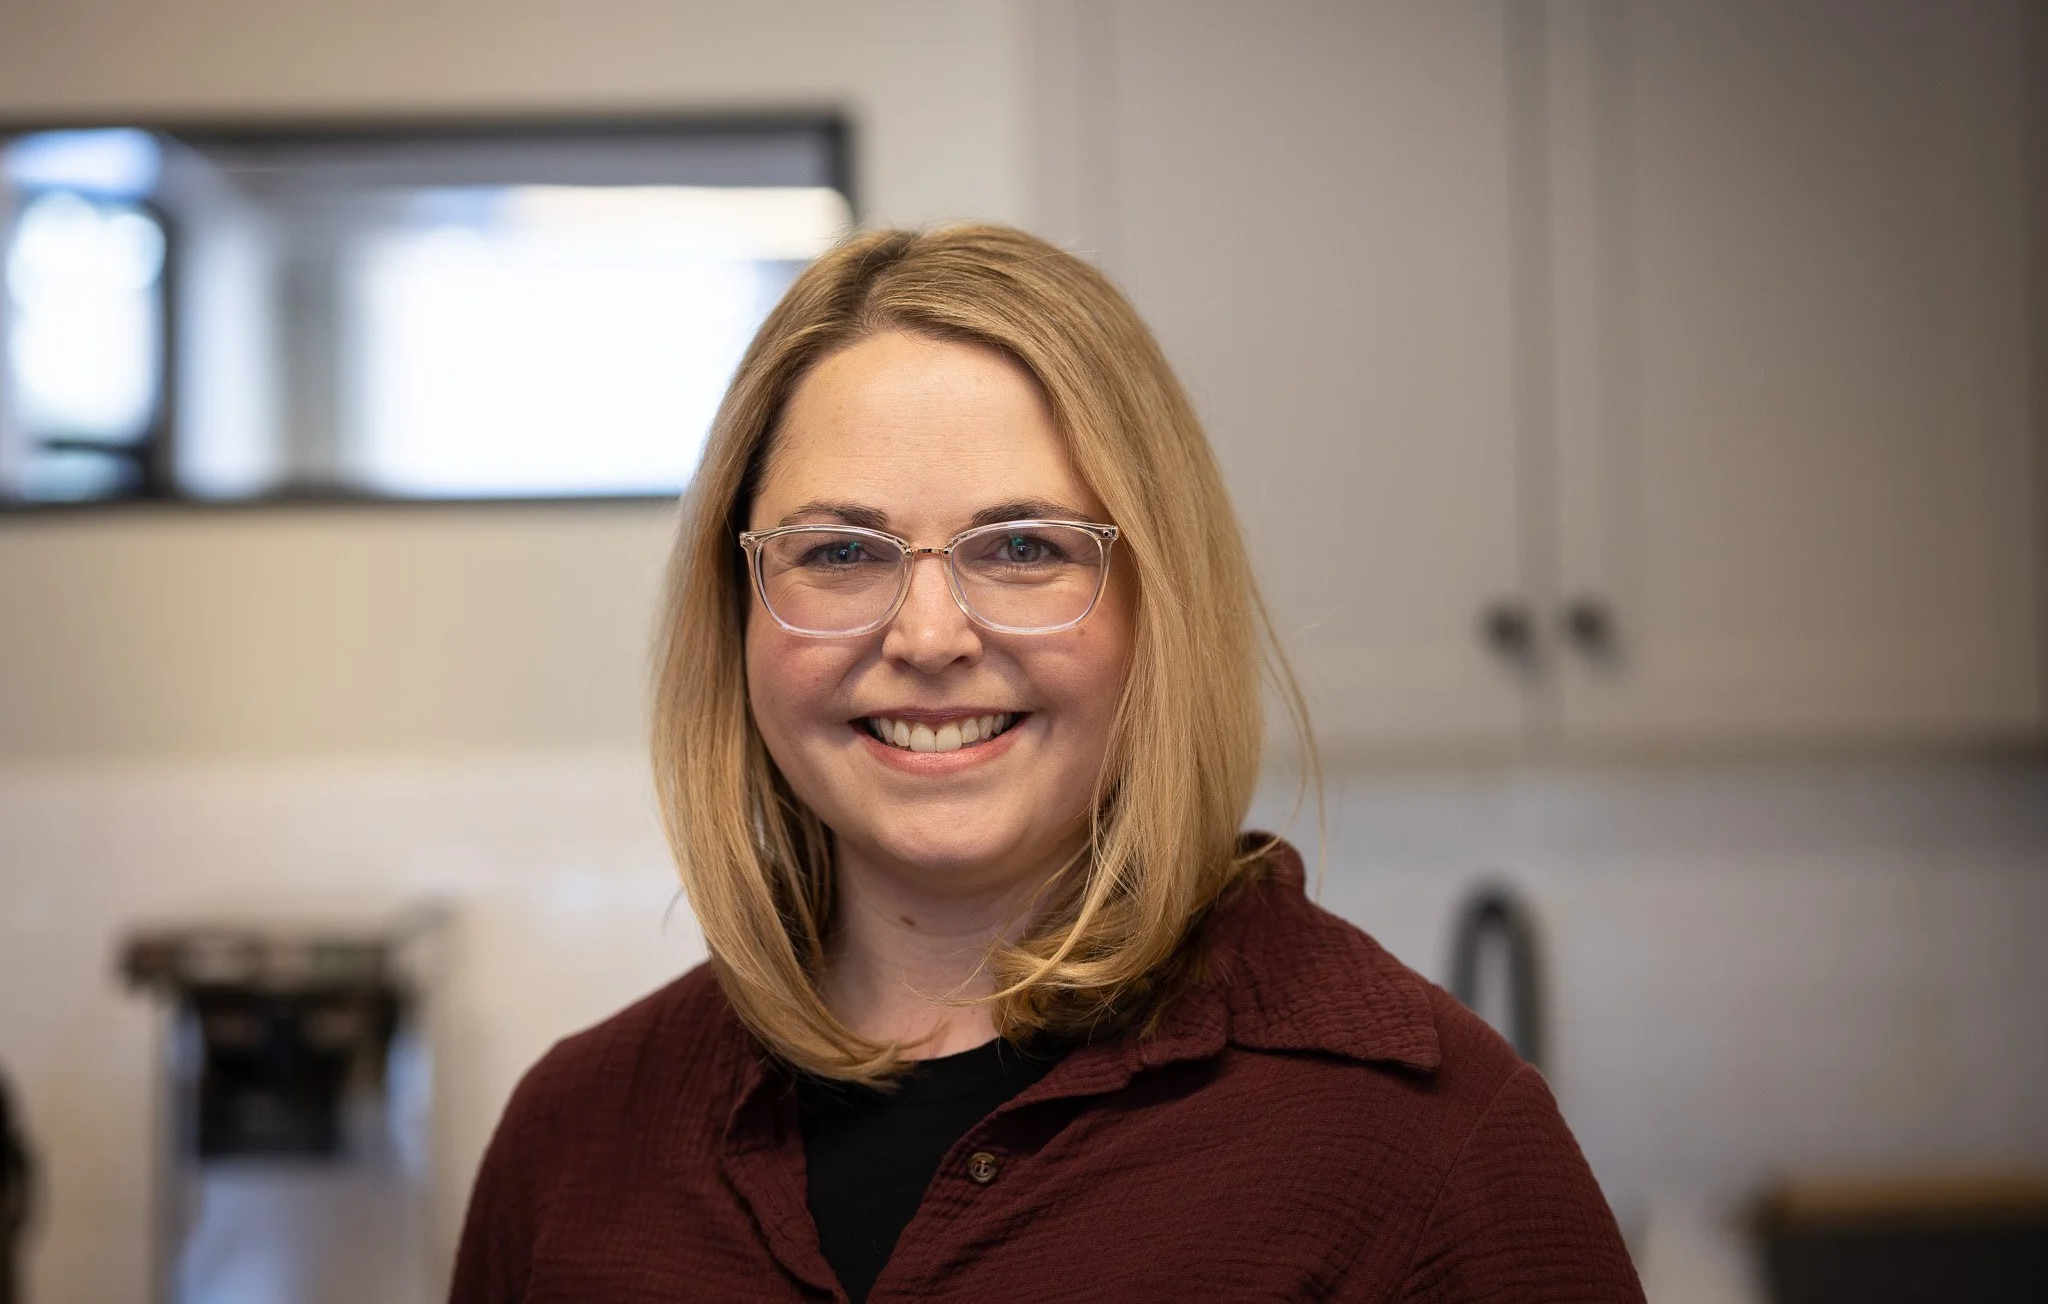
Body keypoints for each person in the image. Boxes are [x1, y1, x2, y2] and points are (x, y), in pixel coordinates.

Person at [451, 224, 1644, 1302]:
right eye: (840, 551)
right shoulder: (574, 1137)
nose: (926, 637)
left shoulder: (1425, 1143)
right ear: (739, 611)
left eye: (1023, 546)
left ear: (1155, 602)